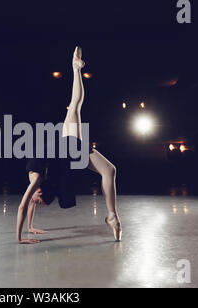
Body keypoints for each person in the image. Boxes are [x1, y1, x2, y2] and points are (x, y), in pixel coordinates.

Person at [16, 47, 122, 244]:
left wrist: (26, 231)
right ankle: (75, 69)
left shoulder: (37, 181)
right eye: (39, 200)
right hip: (66, 150)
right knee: (74, 106)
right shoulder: (38, 180)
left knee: (109, 170)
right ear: (44, 192)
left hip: (63, 150)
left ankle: (112, 216)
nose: (35, 200)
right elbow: (26, 205)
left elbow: (26, 205)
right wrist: (22, 236)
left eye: (35, 199)